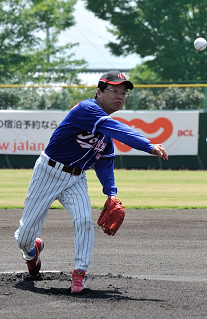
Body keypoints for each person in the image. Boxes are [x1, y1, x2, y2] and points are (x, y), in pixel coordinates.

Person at [14, 70, 169, 294]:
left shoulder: (105, 132)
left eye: (124, 93)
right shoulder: (86, 109)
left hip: (76, 179)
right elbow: (119, 130)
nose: (120, 96)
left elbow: (105, 163)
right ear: (99, 92)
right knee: (24, 237)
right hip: (48, 173)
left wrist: (111, 194)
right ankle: (32, 251)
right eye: (114, 90)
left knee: (84, 221)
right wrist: (148, 145)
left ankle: (79, 276)